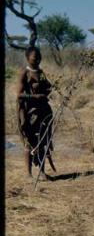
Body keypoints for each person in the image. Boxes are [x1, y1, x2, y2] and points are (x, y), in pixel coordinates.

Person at [16, 46, 54, 180]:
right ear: (27, 58)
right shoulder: (24, 73)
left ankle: (42, 172)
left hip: (42, 111)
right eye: (34, 56)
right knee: (30, 142)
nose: (37, 59)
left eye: (39, 56)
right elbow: (19, 95)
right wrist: (35, 97)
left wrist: (51, 89)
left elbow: (48, 86)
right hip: (30, 113)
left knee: (42, 142)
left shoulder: (41, 72)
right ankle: (28, 174)